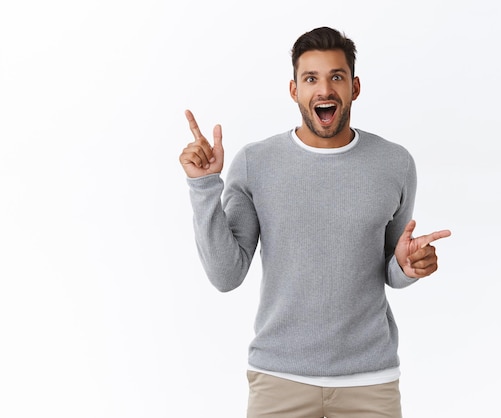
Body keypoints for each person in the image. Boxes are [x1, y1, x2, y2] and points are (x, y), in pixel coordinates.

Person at [179, 26, 451, 418]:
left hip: (369, 381)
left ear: (354, 87)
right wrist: (203, 185)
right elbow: (226, 275)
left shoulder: (394, 163)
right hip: (278, 379)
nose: (324, 90)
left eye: (336, 77)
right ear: (294, 90)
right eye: (311, 79)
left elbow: (391, 269)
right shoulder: (256, 163)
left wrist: (408, 265)